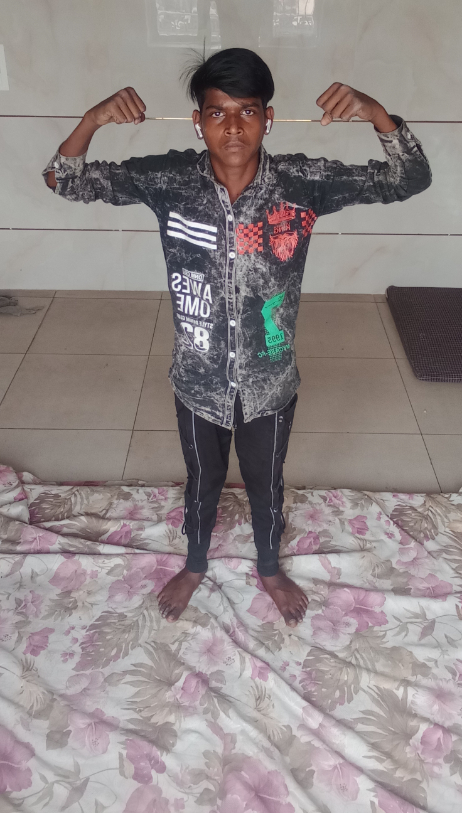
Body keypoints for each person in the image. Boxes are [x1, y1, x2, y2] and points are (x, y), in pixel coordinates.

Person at [43, 48, 431, 626]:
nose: (232, 126)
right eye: (217, 113)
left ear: (267, 120)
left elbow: (410, 178)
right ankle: (196, 561)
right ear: (198, 121)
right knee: (201, 479)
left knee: (264, 481)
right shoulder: (170, 180)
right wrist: (94, 119)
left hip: (270, 383)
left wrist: (377, 113)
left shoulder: (302, 183)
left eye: (247, 112)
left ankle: (269, 566)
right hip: (197, 378)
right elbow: (61, 178)